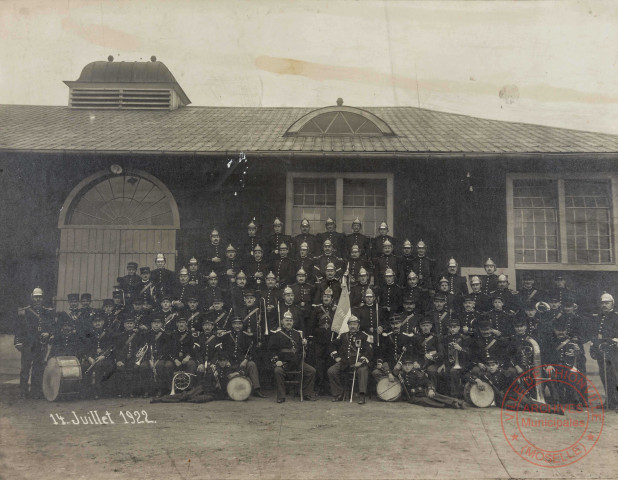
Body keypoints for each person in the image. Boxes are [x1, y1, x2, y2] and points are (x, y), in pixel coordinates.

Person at [268, 311, 318, 403]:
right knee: (277, 371)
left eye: (290, 320)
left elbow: (300, 349)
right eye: (286, 320)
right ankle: (281, 396)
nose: (288, 322)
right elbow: (271, 350)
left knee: (311, 371)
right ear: (282, 322)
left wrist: (304, 344)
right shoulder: (277, 334)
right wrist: (276, 361)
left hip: (296, 362)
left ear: (293, 322)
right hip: (283, 363)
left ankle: (306, 393)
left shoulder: (297, 334)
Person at [14, 287, 55, 399]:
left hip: (40, 345)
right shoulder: (25, 311)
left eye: (40, 297)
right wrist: (17, 342)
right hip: (27, 344)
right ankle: (23, 392)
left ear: (43, 298)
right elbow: (19, 328)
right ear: (32, 297)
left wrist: (48, 333)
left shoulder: (47, 312)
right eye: (36, 297)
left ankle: (35, 391)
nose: (38, 300)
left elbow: (51, 326)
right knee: (25, 369)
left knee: (38, 369)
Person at [328, 315, 373, 404]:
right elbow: (332, 345)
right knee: (331, 371)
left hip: (359, 362)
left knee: (362, 371)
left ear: (358, 326)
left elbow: (369, 351)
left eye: (354, 324)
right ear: (348, 325)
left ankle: (362, 395)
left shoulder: (364, 336)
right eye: (350, 324)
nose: (352, 326)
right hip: (345, 362)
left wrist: (360, 361)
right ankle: (339, 393)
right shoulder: (343, 336)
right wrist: (336, 356)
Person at [219, 316, 267, 398]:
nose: (237, 326)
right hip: (229, 362)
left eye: (239, 324)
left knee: (252, 364)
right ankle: (224, 390)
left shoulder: (247, 336)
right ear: (232, 325)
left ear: (242, 325)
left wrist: (246, 360)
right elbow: (222, 350)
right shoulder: (226, 336)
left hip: (242, 362)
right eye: (235, 324)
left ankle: (256, 389)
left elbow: (251, 350)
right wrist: (226, 360)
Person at [395, 353, 465, 409]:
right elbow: (393, 373)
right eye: (405, 365)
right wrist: (396, 368)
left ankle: (455, 401)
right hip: (412, 397)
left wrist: (430, 389)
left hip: (421, 391)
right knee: (424, 400)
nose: (407, 367)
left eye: (409, 365)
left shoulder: (417, 373)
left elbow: (428, 382)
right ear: (402, 367)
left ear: (412, 366)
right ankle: (449, 405)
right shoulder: (400, 374)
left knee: (433, 395)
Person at [590, 293, 618, 410]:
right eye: (602, 303)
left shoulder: (616, 317)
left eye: (607, 303)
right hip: (601, 350)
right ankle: (609, 402)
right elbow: (595, 333)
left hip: (613, 350)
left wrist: (613, 341)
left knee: (614, 375)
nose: (604, 305)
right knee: (604, 375)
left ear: (612, 303)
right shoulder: (598, 318)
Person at [311, 287, 338, 395]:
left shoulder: (335, 310)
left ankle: (329, 387)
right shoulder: (317, 309)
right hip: (319, 340)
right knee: (319, 364)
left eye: (328, 297)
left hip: (331, 340)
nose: (326, 298)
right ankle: (320, 386)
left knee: (330, 363)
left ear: (332, 299)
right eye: (325, 296)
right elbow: (312, 324)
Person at [81, 312, 114, 399]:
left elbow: (111, 346)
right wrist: (89, 358)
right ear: (92, 323)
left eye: (99, 321)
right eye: (95, 321)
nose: (97, 323)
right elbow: (85, 348)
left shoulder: (108, 333)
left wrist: (104, 356)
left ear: (103, 322)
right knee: (85, 366)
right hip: (92, 358)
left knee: (107, 366)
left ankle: (102, 392)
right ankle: (87, 392)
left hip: (104, 357)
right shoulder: (89, 334)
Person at [372, 315, 413, 384]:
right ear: (390, 325)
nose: (395, 326)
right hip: (390, 364)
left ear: (400, 324)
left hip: (403, 364)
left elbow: (409, 354)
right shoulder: (387, 337)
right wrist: (386, 369)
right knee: (375, 373)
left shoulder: (406, 337)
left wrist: (400, 363)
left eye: (397, 323)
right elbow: (383, 353)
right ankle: (389, 388)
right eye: (393, 324)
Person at [112, 316, 146, 398]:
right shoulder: (120, 336)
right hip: (123, 359)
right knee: (121, 368)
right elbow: (117, 350)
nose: (129, 325)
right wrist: (119, 360)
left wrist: (138, 360)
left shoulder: (138, 335)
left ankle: (133, 392)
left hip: (135, 359)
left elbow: (142, 348)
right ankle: (123, 391)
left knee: (134, 369)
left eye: (131, 323)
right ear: (124, 325)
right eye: (127, 324)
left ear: (134, 325)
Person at [142, 314, 174, 398]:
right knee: (143, 366)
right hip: (149, 358)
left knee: (159, 366)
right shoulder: (147, 334)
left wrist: (160, 357)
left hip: (161, 358)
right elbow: (144, 348)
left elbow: (168, 348)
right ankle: (147, 390)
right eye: (154, 323)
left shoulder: (166, 335)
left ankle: (160, 389)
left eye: (158, 323)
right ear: (151, 324)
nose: (156, 325)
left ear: (161, 324)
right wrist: (149, 359)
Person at [439, 318, 470, 398]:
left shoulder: (465, 338)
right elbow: (444, 353)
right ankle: (446, 394)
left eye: (454, 327)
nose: (452, 329)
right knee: (444, 371)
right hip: (449, 363)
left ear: (459, 328)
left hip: (463, 364)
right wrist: (443, 364)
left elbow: (469, 354)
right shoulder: (445, 339)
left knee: (453, 371)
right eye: (450, 327)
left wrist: (460, 349)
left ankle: (455, 394)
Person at [410, 316, 442, 388]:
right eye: (423, 326)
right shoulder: (417, 338)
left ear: (431, 326)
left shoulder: (436, 338)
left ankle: (433, 390)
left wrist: (432, 356)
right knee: (414, 370)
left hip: (433, 362)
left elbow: (441, 352)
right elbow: (414, 352)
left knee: (431, 370)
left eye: (427, 325)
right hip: (421, 361)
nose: (425, 327)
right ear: (420, 327)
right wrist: (415, 362)